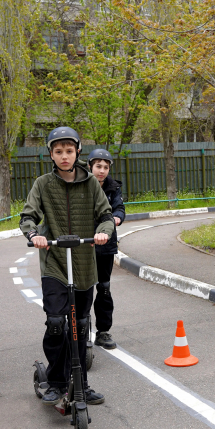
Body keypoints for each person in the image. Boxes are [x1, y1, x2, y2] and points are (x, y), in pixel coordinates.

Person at [20, 127, 115, 406]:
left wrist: (104, 232)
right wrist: (34, 234)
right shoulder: (43, 184)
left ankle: (82, 384)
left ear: (77, 153)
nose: (64, 156)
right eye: (58, 151)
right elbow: (28, 216)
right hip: (55, 264)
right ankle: (56, 381)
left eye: (69, 151)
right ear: (51, 154)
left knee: (81, 326)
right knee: (56, 324)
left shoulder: (91, 184)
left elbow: (106, 215)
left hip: (85, 265)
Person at [86, 148, 126, 350]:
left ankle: (102, 332)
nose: (101, 171)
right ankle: (82, 331)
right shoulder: (81, 185)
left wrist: (118, 217)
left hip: (106, 246)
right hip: (84, 246)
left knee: (103, 289)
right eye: (98, 166)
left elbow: (119, 208)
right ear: (90, 166)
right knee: (82, 290)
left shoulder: (113, 187)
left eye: (105, 167)